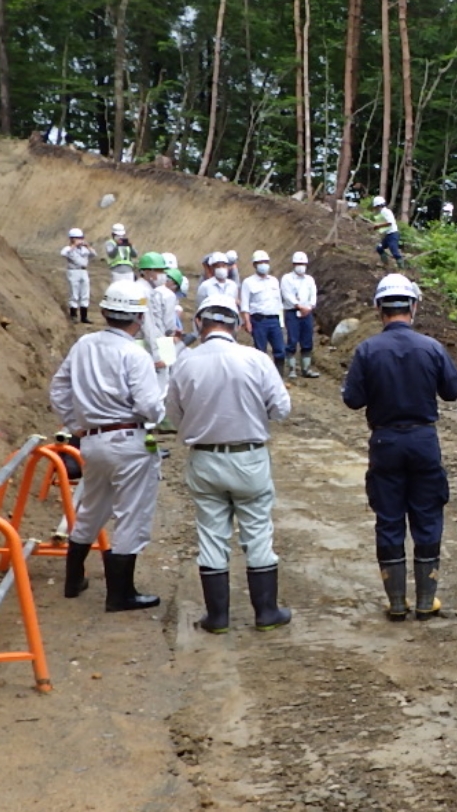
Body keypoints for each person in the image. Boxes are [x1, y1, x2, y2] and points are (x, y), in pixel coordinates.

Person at [166, 296, 293, 632]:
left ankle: (218, 618)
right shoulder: (256, 359)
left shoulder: (185, 363)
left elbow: (174, 415)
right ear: (236, 325)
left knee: (211, 535)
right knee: (257, 533)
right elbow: (281, 408)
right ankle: (266, 613)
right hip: (249, 456)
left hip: (205, 458)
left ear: (198, 324)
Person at [342, 274, 457, 620]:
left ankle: (397, 601)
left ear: (380, 309)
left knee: (389, 517)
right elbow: (453, 391)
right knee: (427, 516)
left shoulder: (366, 351)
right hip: (424, 440)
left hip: (385, 441)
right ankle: (426, 600)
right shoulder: (431, 347)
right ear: (413, 307)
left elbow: (352, 399)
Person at [49, 280, 164, 612]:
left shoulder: (84, 344)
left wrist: (77, 427)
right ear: (138, 318)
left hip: (93, 441)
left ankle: (74, 580)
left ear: (104, 311)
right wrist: (158, 409)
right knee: (131, 515)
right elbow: (149, 406)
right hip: (129, 440)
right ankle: (121, 594)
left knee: (92, 507)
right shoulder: (134, 353)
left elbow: (59, 389)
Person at [239, 249, 287, 377]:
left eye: (265, 262)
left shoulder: (274, 281)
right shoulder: (248, 282)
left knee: (280, 350)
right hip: (259, 321)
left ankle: (278, 377)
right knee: (261, 352)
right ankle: (262, 377)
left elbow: (279, 302)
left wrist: (281, 321)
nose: (263, 265)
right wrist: (247, 322)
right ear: (254, 265)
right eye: (260, 262)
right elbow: (245, 305)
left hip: (274, 320)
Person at [137, 252, 177, 396]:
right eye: (159, 271)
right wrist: (157, 355)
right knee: (157, 388)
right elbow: (148, 325)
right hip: (151, 343)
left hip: (153, 341)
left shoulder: (147, 290)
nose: (162, 275)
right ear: (147, 272)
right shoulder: (144, 293)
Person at [281, 251, 321, 379]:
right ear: (293, 264)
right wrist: (299, 306)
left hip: (307, 312)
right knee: (292, 339)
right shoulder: (287, 279)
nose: (301, 266)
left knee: (307, 340)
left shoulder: (309, 280)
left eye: (303, 264)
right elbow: (287, 295)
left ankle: (306, 368)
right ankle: (291, 368)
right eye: (298, 264)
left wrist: (309, 307)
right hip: (292, 312)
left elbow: (313, 294)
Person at [61, 228, 96, 323]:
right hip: (73, 271)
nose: (80, 240)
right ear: (72, 239)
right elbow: (63, 253)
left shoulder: (84, 249)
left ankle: (84, 316)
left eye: (81, 238)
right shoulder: (68, 249)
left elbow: (94, 254)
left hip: (84, 271)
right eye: (77, 238)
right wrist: (73, 246)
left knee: (85, 293)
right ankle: (73, 315)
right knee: (74, 293)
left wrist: (87, 246)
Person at [370, 195, 404, 268]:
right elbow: (385, 225)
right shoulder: (382, 213)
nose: (375, 208)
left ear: (379, 205)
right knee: (379, 248)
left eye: (376, 207)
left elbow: (390, 222)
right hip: (388, 235)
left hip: (393, 235)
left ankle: (402, 268)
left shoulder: (386, 212)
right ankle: (385, 263)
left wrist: (378, 226)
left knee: (395, 252)